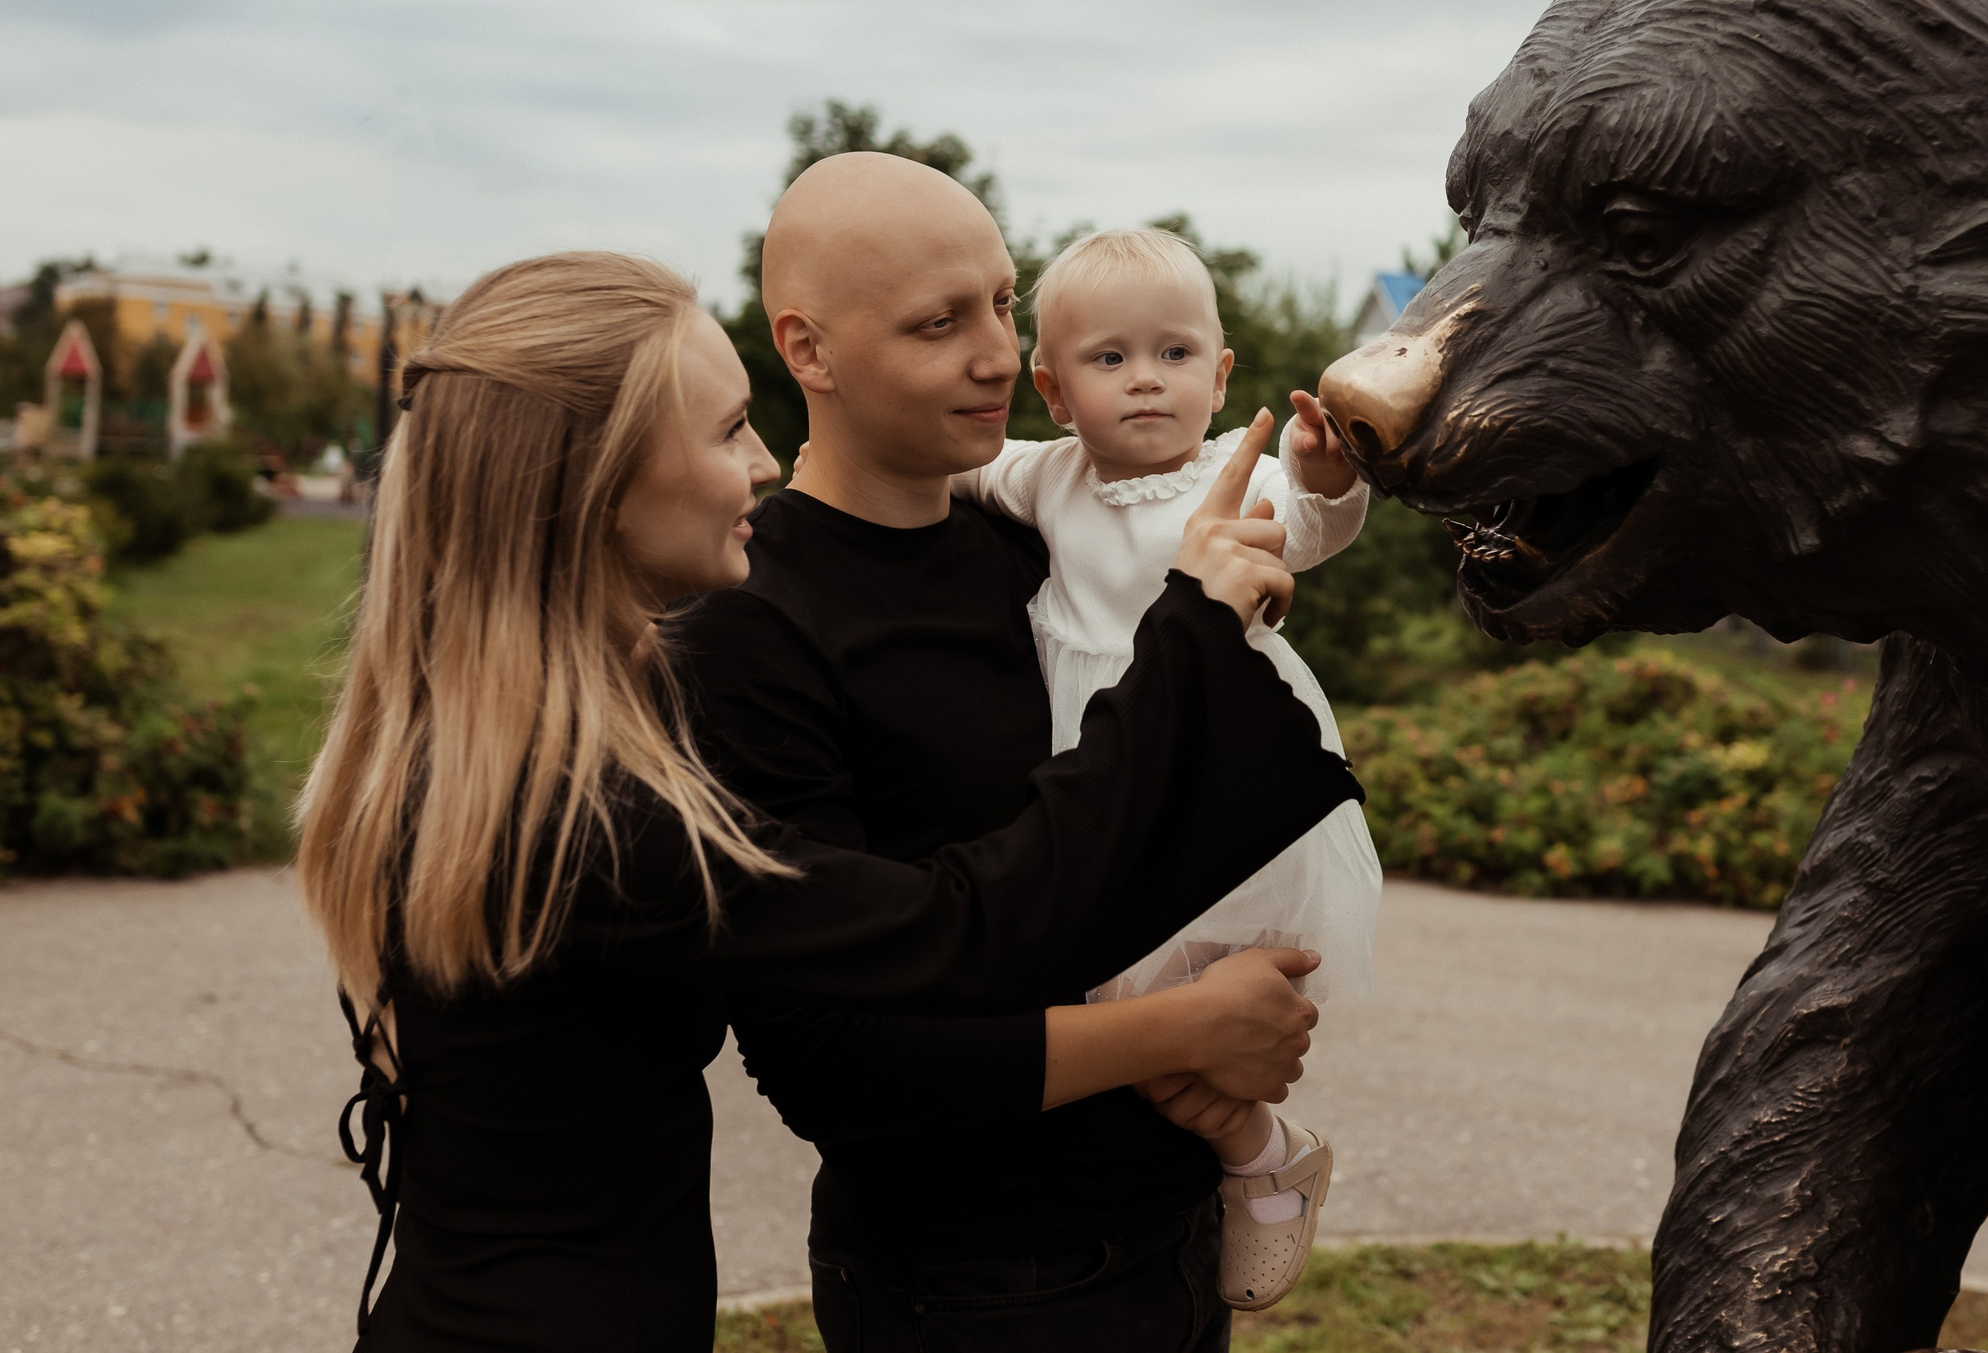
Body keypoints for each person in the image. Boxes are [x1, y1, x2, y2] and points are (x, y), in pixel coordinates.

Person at [294, 249, 1359, 1353]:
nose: (761, 461)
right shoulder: (583, 817)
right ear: (594, 485)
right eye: (721, 430)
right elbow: (958, 929)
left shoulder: (472, 752)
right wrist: (1191, 630)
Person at [672, 156, 1347, 1351]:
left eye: (1001, 300)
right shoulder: (751, 614)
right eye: (940, 323)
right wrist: (1184, 1031)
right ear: (809, 351)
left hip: (1173, 1221)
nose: (996, 355)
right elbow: (833, 1067)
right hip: (976, 1276)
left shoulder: (1034, 544)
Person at [955, 222, 1384, 1310]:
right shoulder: (1046, 477)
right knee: (1126, 1015)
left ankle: (1253, 1146)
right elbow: (955, 461)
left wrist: (1330, 481)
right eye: (1108, 359)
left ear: (1220, 369)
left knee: (1194, 1004)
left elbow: (1310, 527)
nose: (1145, 380)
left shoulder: (1230, 479)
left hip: (1213, 775)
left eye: (1175, 353)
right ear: (1052, 388)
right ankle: (1260, 1148)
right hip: (1099, 773)